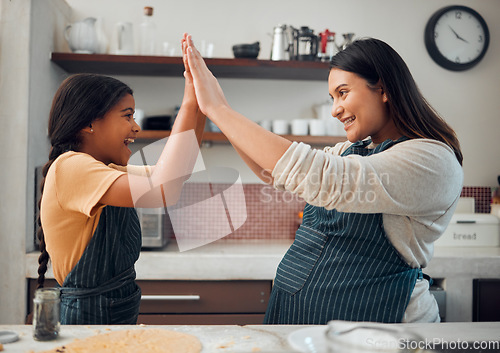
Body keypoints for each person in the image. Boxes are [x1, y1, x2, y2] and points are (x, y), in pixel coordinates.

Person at [183, 33, 463, 324]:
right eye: (332, 98)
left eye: (343, 93)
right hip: (302, 318)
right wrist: (218, 105)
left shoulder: (431, 159)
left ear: (383, 88)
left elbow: (324, 177)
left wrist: (219, 109)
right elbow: (273, 171)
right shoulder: (354, 151)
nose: (335, 109)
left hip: (376, 325)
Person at [36, 38, 205, 325]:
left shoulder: (106, 170)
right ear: (88, 123)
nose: (136, 127)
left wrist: (201, 101)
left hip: (115, 311)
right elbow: (164, 190)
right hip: (87, 321)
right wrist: (189, 100)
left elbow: (175, 175)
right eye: (127, 116)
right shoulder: (72, 167)